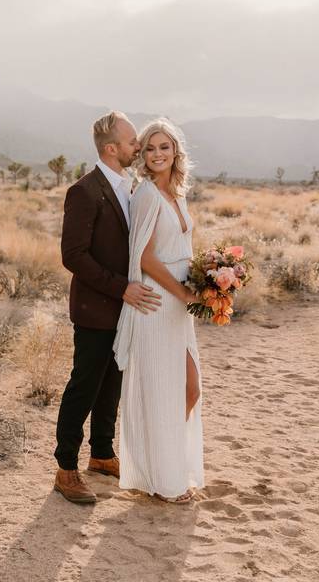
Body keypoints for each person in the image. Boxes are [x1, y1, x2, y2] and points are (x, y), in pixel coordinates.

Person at [53, 111, 162, 504]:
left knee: (111, 385)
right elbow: (74, 256)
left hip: (123, 310)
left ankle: (101, 454)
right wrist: (122, 289)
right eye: (133, 141)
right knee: (84, 385)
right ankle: (66, 468)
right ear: (112, 148)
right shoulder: (85, 190)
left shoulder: (128, 187)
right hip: (97, 308)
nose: (139, 147)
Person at [113, 118, 204, 504]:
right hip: (158, 301)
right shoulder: (146, 194)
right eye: (149, 148)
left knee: (189, 390)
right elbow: (146, 258)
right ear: (143, 156)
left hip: (180, 305)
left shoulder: (178, 194)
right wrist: (183, 293)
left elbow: (183, 248)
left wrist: (208, 282)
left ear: (175, 151)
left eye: (164, 147)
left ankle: (161, 465)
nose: (157, 154)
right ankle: (165, 481)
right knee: (163, 391)